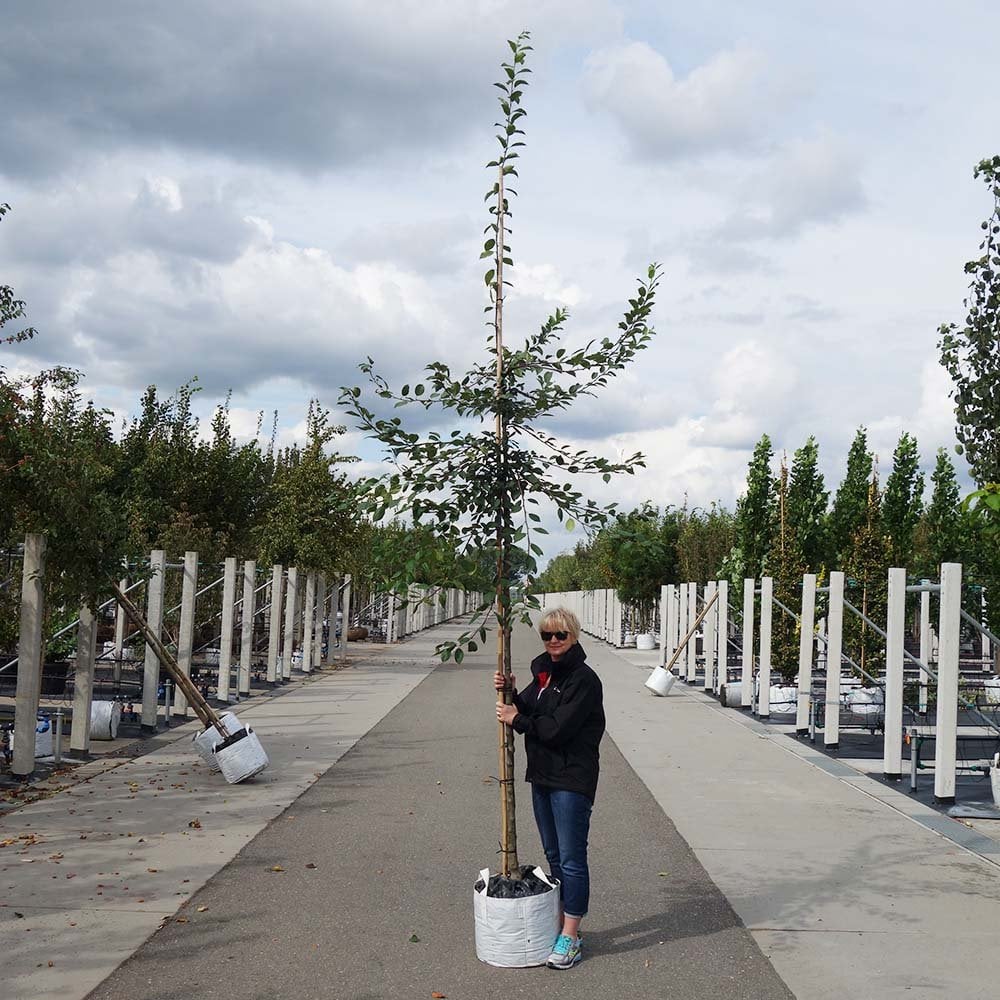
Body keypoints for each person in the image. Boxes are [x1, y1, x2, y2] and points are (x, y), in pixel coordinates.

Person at [494, 607, 605, 971]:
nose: (554, 641)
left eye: (561, 635)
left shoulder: (583, 680)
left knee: (572, 860)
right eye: (547, 635)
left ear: (574, 635)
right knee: (554, 856)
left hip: (571, 779)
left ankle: (571, 935)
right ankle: (559, 926)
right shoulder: (543, 673)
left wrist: (519, 720)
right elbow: (524, 704)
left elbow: (557, 729)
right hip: (543, 777)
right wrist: (509, 692)